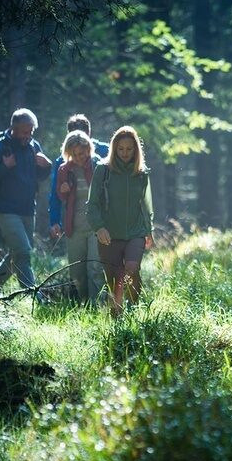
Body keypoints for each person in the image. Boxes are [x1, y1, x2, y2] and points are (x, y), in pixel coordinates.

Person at [0, 108, 52, 290]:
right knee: (23, 252)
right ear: (14, 128)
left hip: (28, 209)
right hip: (6, 210)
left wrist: (47, 167)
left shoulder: (34, 147)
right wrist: (4, 166)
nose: (28, 135)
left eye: (31, 131)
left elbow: (39, 177)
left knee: (17, 254)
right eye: (24, 131)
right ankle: (32, 294)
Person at [87, 126, 154, 318]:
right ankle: (117, 315)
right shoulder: (103, 170)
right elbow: (92, 205)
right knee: (114, 278)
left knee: (131, 270)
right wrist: (99, 227)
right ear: (114, 149)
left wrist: (149, 231)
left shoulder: (141, 174)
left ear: (136, 150)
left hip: (135, 232)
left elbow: (147, 205)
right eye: (121, 149)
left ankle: (134, 307)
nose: (125, 153)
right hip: (109, 234)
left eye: (129, 149)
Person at [55, 130, 104, 302]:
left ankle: (97, 306)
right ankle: (84, 303)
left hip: (96, 226)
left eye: (81, 153)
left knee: (95, 268)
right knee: (77, 271)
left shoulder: (98, 164)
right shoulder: (64, 169)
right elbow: (60, 196)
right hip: (74, 226)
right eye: (74, 154)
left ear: (88, 149)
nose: (78, 157)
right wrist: (63, 190)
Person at [49, 114, 109, 240]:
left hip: (102, 222)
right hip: (75, 224)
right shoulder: (62, 161)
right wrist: (55, 221)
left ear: (89, 132)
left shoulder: (105, 152)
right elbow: (56, 193)